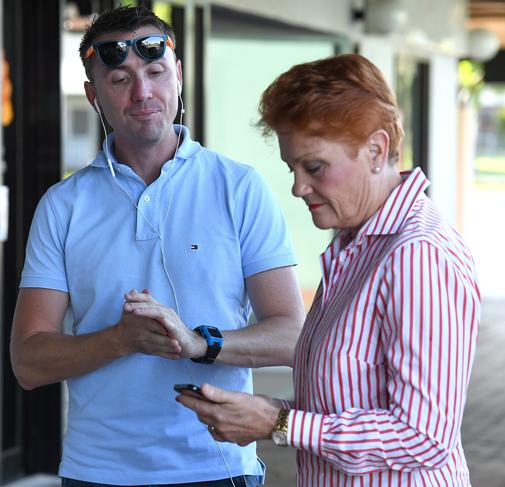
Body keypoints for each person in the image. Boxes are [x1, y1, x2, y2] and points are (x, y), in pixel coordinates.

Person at [10, 5, 305, 487]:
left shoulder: (239, 187)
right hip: (97, 472)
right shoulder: (63, 205)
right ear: (93, 95)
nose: (143, 92)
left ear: (179, 76)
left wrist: (198, 343)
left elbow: (293, 336)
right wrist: (118, 340)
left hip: (219, 468)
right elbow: (28, 362)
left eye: (155, 71)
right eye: (119, 79)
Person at [177, 53, 481, 486]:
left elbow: (423, 437)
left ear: (376, 150)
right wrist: (270, 413)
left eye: (314, 167)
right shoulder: (354, 241)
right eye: (292, 168)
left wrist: (279, 425)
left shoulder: (417, 254)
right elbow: (350, 404)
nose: (298, 187)